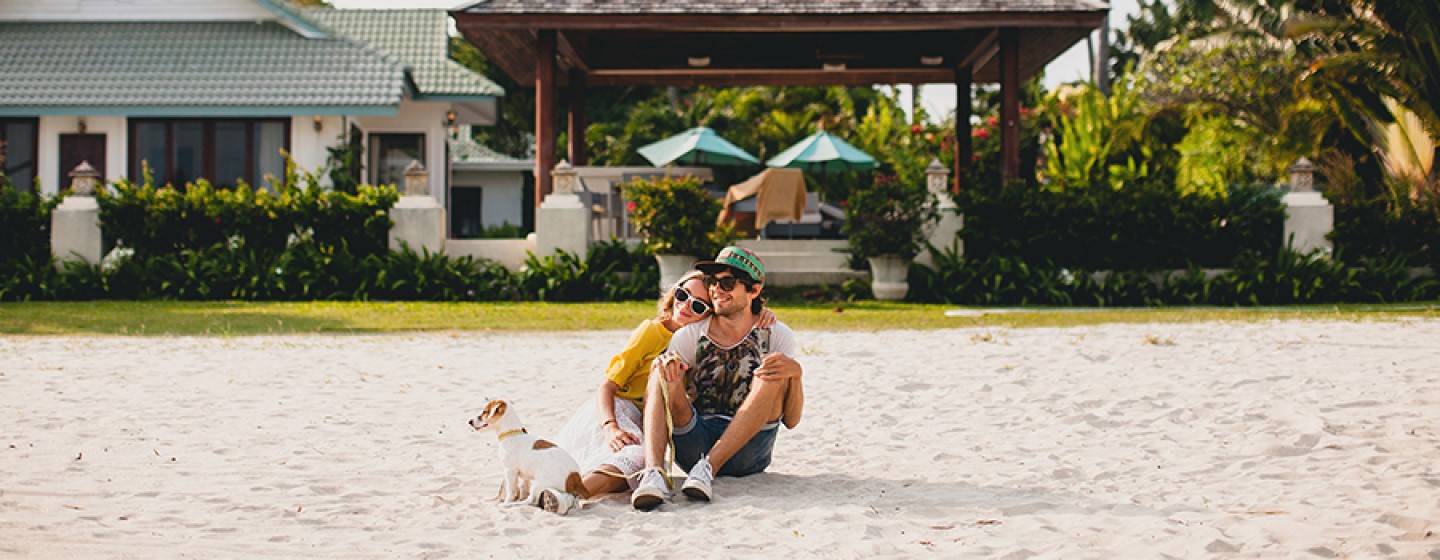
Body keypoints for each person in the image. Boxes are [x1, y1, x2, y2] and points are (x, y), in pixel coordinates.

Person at [552, 270, 776, 501]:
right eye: (682, 295)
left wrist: (758, 312)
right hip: (619, 410)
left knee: (631, 469)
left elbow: (735, 315)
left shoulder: (700, 343)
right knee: (636, 458)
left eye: (699, 306)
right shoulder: (653, 332)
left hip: (647, 422)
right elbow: (607, 386)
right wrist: (611, 426)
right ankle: (568, 495)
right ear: (673, 294)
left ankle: (570, 492)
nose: (686, 306)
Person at [631, 246, 804, 511]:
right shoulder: (691, 335)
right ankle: (653, 473)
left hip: (749, 450)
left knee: (772, 371)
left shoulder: (777, 335)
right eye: (713, 282)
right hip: (695, 445)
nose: (716, 290)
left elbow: (791, 420)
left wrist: (795, 374)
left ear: (753, 291)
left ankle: (709, 469)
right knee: (662, 368)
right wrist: (669, 371)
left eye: (728, 283)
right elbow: (672, 394)